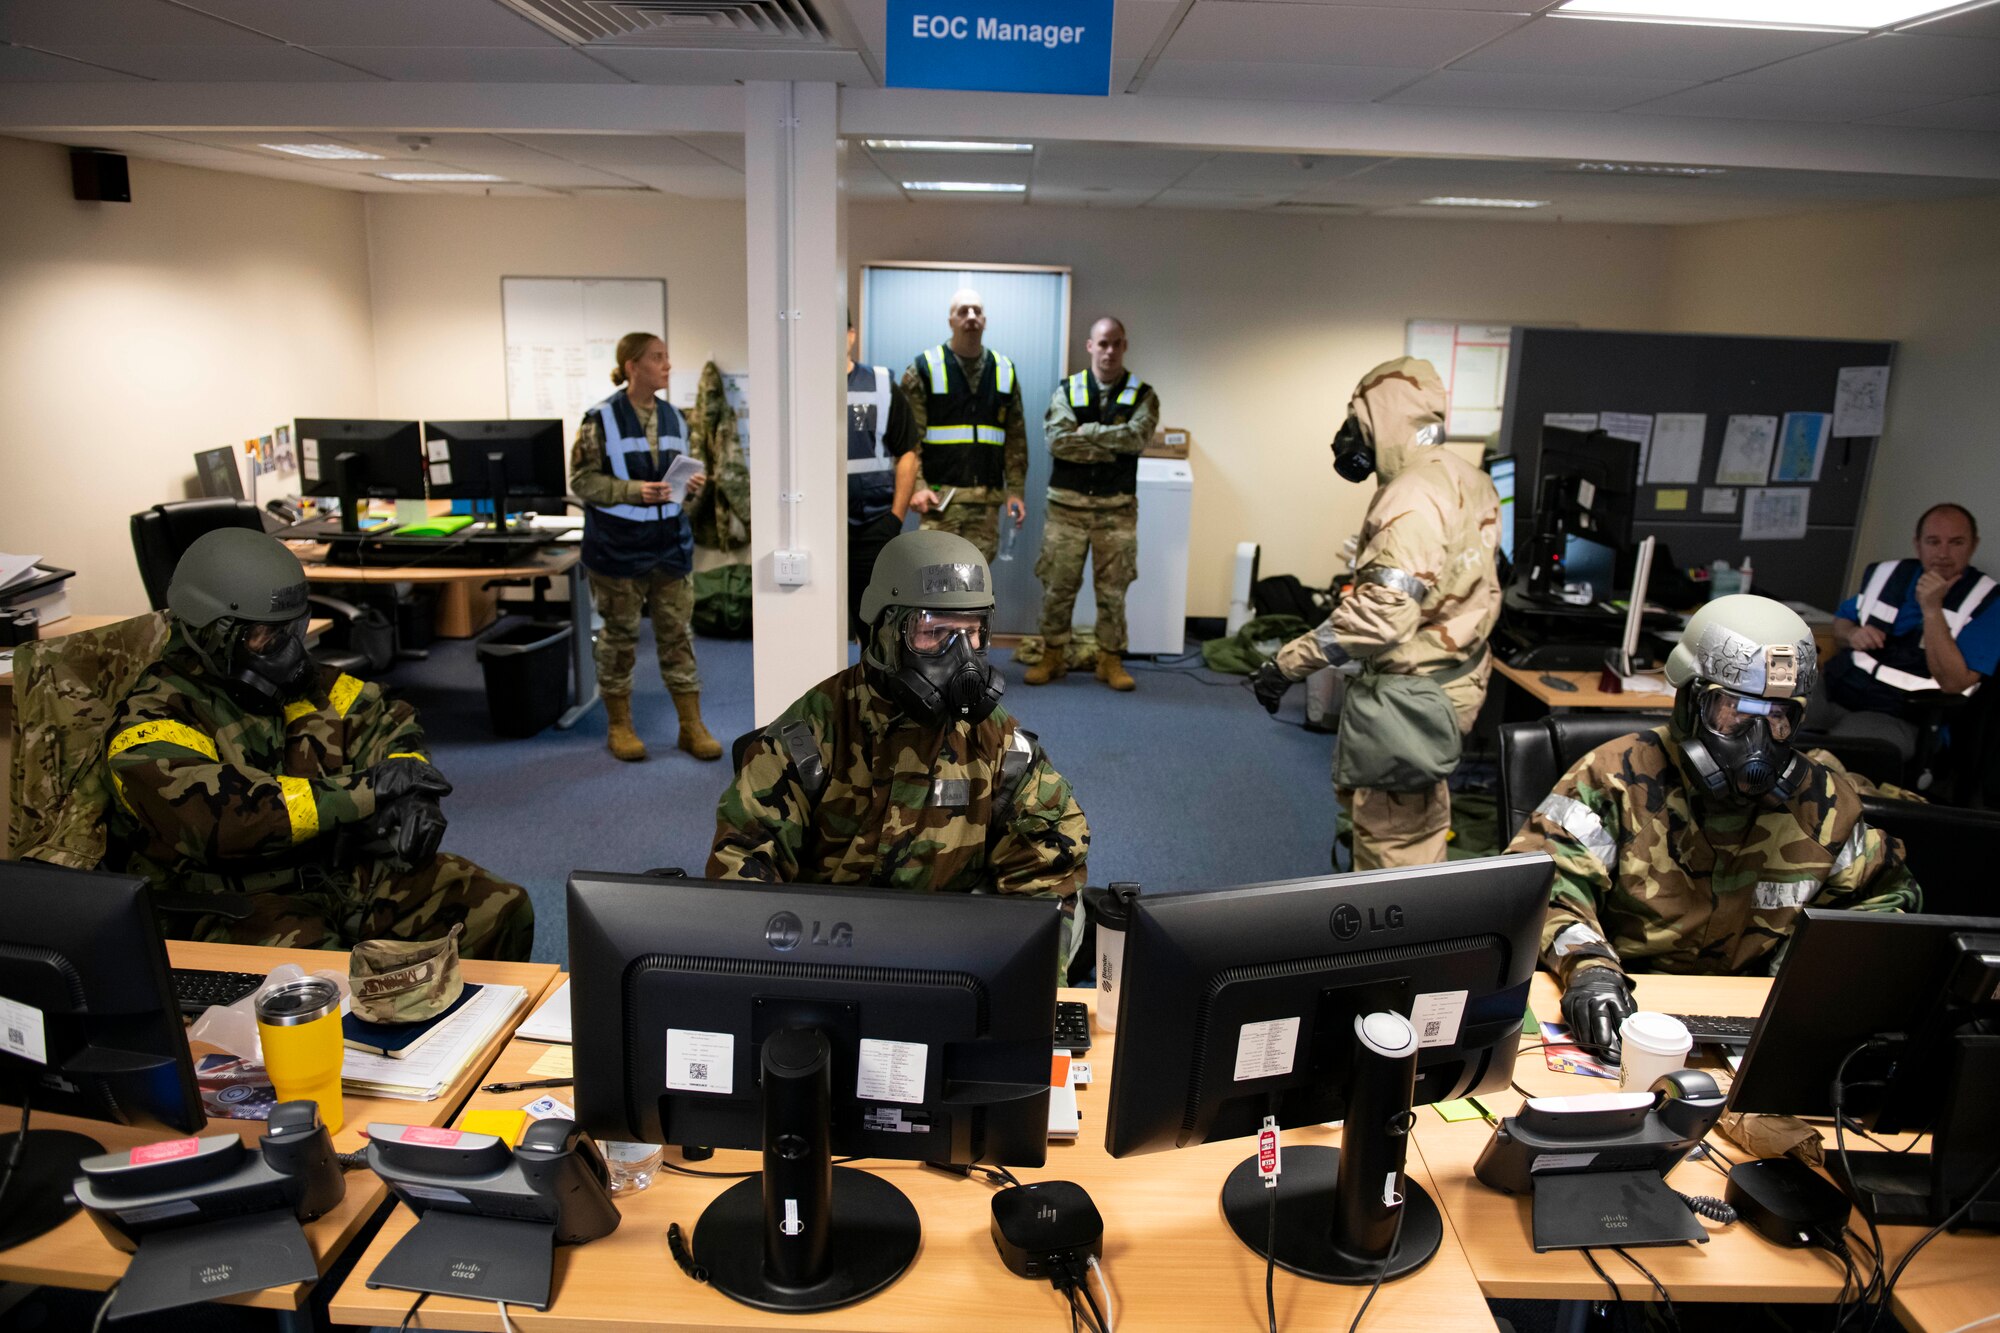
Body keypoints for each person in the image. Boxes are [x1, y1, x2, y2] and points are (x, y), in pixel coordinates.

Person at [1509, 595, 1921, 1063]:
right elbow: (1539, 891)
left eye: (1779, 717)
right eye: (1735, 711)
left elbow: (1885, 901)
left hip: (1750, 1022)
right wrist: (1590, 969)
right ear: (1688, 701)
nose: (1758, 742)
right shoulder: (1613, 778)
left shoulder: (1823, 802)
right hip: (1627, 1013)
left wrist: (1802, 978)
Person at [104, 528, 534, 960]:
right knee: (329, 992)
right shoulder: (154, 717)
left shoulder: (294, 684)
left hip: (334, 874)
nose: (292, 653)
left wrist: (412, 794)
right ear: (214, 633)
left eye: (296, 628)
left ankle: (477, 1026)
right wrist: (371, 790)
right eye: (268, 637)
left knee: (498, 908)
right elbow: (228, 817)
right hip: (229, 904)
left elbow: (384, 717)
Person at [708, 531, 1089, 963]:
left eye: (973, 632)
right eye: (934, 632)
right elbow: (742, 865)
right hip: (829, 955)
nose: (961, 657)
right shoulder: (807, 737)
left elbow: (1049, 867)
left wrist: (1025, 992)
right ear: (884, 631)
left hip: (949, 956)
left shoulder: (1000, 745)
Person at [1246, 357, 1500, 869]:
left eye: (1357, 418)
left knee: (1393, 844)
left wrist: (1287, 665)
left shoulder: (1410, 494)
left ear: (1385, 415)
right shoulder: (1466, 477)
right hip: (1457, 677)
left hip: (1415, 695)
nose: (1348, 435)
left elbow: (1383, 618)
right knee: (1415, 819)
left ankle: (1392, 944)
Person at [570, 330, 721, 763]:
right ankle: (620, 726)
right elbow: (582, 480)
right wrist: (636, 490)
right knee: (620, 638)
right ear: (632, 366)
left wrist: (692, 486)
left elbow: (681, 482)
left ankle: (691, 727)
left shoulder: (677, 418)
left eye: (668, 357)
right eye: (657, 358)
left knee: (678, 636)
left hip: (669, 546)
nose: (667, 365)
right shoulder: (599, 419)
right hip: (617, 550)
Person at [1027, 316, 1161, 693]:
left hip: (1116, 511)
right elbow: (1057, 441)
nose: (1109, 351)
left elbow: (1137, 438)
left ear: (1125, 346)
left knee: (1113, 590)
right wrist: (1109, 449)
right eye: (1102, 343)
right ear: (1090, 346)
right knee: (1057, 585)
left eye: (1116, 343)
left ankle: (1110, 659)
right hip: (1065, 509)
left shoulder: (1142, 395)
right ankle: (1052, 655)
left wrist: (1091, 433)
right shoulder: (1067, 390)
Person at [1815, 502, 1999, 763]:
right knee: (1766, 722)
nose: (1943, 553)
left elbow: (1954, 682)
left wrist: (1932, 609)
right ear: (1918, 544)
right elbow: (1841, 622)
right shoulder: (1890, 575)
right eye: (1933, 542)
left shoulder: (1987, 602)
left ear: (1973, 545)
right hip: (1837, 688)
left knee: (1830, 761)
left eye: (1956, 543)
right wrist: (1853, 634)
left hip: (1898, 714)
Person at [901, 288, 1028, 563]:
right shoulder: (924, 368)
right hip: (939, 499)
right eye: (963, 311)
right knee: (935, 587)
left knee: (974, 589)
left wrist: (1015, 490)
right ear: (950, 321)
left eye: (977, 311)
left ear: (985, 320)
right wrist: (917, 486)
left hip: (986, 502)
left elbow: (1016, 438)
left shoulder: (1004, 370)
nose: (971, 317)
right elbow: (909, 438)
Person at [846, 312, 921, 641]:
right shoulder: (802, 386)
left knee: (876, 624)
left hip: (873, 524)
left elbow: (907, 450)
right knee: (818, 621)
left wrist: (895, 517)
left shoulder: (880, 384)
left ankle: (873, 690)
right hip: (818, 526)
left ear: (850, 335)